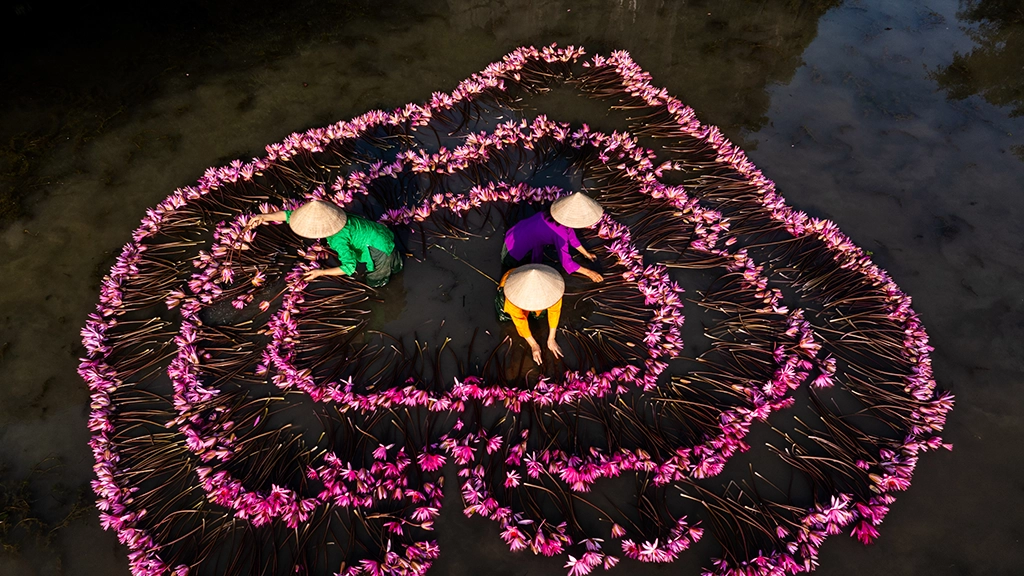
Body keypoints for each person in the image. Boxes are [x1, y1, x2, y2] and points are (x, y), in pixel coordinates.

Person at [249, 200, 403, 287]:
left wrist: (320, 272)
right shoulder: (330, 211)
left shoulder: (337, 239)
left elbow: (349, 267)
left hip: (376, 247)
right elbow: (289, 215)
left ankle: (384, 284)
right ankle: (397, 267)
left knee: (377, 278)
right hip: (378, 231)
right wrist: (264, 217)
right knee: (394, 260)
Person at [502, 192, 604, 283]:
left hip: (515, 232)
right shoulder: (560, 234)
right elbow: (567, 263)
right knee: (516, 277)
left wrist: (587, 254)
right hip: (513, 249)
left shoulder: (551, 213)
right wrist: (590, 273)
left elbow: (572, 238)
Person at [496, 264, 565, 365]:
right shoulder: (513, 298)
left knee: (539, 315)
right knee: (505, 316)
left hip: (536, 279)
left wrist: (551, 338)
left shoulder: (552, 290)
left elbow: (554, 311)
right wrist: (534, 345)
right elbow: (520, 323)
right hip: (511, 281)